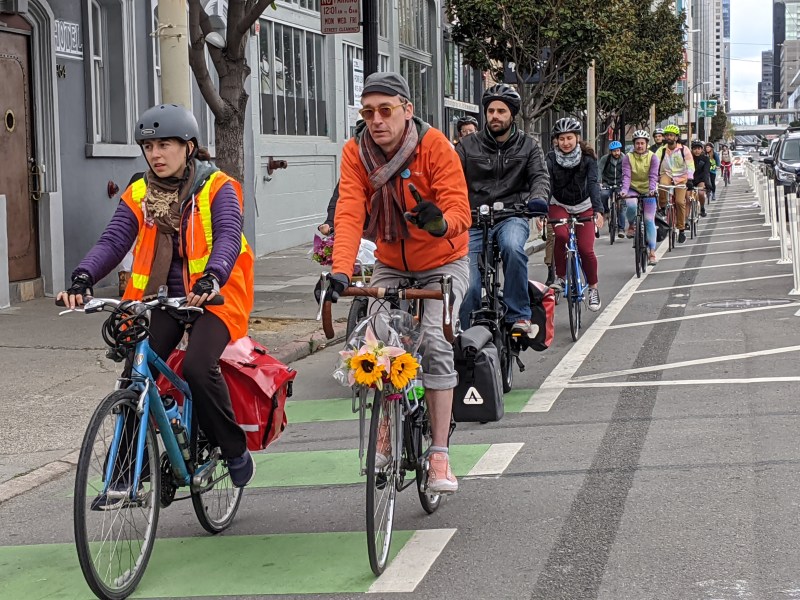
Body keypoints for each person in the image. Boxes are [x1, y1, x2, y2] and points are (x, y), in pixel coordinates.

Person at [57, 104, 257, 503]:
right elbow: (114, 241)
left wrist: (212, 275)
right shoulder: (139, 192)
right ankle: (122, 475)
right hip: (159, 298)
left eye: (165, 144)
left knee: (200, 368)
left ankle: (233, 447)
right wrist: (82, 277)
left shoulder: (219, 187)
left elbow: (229, 237)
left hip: (214, 294)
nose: (156, 154)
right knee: (135, 375)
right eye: (148, 146)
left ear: (190, 147)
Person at [316, 72, 471, 494]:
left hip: (443, 262)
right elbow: (348, 212)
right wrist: (341, 271)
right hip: (390, 263)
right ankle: (386, 427)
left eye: (386, 110)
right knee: (379, 345)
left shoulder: (435, 146)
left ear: (407, 110)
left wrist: (441, 224)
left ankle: (439, 453)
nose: (377, 120)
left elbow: (459, 207)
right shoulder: (356, 153)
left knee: (437, 345)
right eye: (368, 112)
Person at [456, 84, 550, 335]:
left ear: (512, 115)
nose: (495, 116)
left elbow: (540, 177)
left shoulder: (529, 146)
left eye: (501, 111)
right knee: (469, 282)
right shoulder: (467, 146)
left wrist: (538, 199)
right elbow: (451, 180)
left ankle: (519, 314)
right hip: (474, 219)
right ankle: (464, 335)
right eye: (490, 111)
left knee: (512, 248)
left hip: (512, 215)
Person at [546, 117, 604, 311]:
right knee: (561, 235)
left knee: (586, 249)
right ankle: (561, 278)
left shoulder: (588, 158)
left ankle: (593, 289)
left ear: (577, 138)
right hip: (559, 203)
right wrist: (541, 212)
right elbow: (547, 186)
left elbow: (594, 184)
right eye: (561, 139)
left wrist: (598, 211)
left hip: (584, 205)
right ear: (556, 140)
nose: (565, 143)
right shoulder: (551, 159)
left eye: (569, 138)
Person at [620, 130, 660, 265]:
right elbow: (626, 176)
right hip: (632, 188)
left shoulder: (653, 157)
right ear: (634, 144)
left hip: (649, 189)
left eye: (642, 143)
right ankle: (631, 225)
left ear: (647, 144)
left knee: (649, 220)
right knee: (631, 206)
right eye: (637, 143)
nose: (640, 146)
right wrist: (624, 190)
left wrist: (652, 190)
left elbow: (653, 175)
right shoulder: (628, 157)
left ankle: (652, 252)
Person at [656, 124, 694, 244]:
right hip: (667, 174)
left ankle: (681, 229)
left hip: (681, 178)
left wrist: (690, 179)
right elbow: (654, 163)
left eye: (671, 135)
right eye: (666, 135)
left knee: (679, 202)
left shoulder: (684, 149)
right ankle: (662, 207)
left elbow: (690, 165)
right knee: (662, 185)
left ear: (676, 137)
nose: (668, 137)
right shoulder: (661, 150)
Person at [597, 140, 625, 237]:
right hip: (607, 183)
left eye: (617, 150)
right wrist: (599, 182)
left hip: (620, 184)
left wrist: (626, 184)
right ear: (610, 152)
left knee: (621, 205)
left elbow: (628, 171)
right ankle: (606, 211)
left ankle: (621, 229)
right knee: (603, 195)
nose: (616, 153)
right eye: (614, 151)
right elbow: (599, 169)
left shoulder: (624, 159)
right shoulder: (605, 159)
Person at [691, 140, 711, 217]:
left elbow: (706, 172)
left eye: (699, 149)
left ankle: (702, 208)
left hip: (700, 179)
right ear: (692, 150)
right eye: (695, 149)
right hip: (689, 179)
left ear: (702, 149)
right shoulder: (688, 157)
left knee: (701, 193)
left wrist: (707, 183)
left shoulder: (705, 159)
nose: (697, 151)